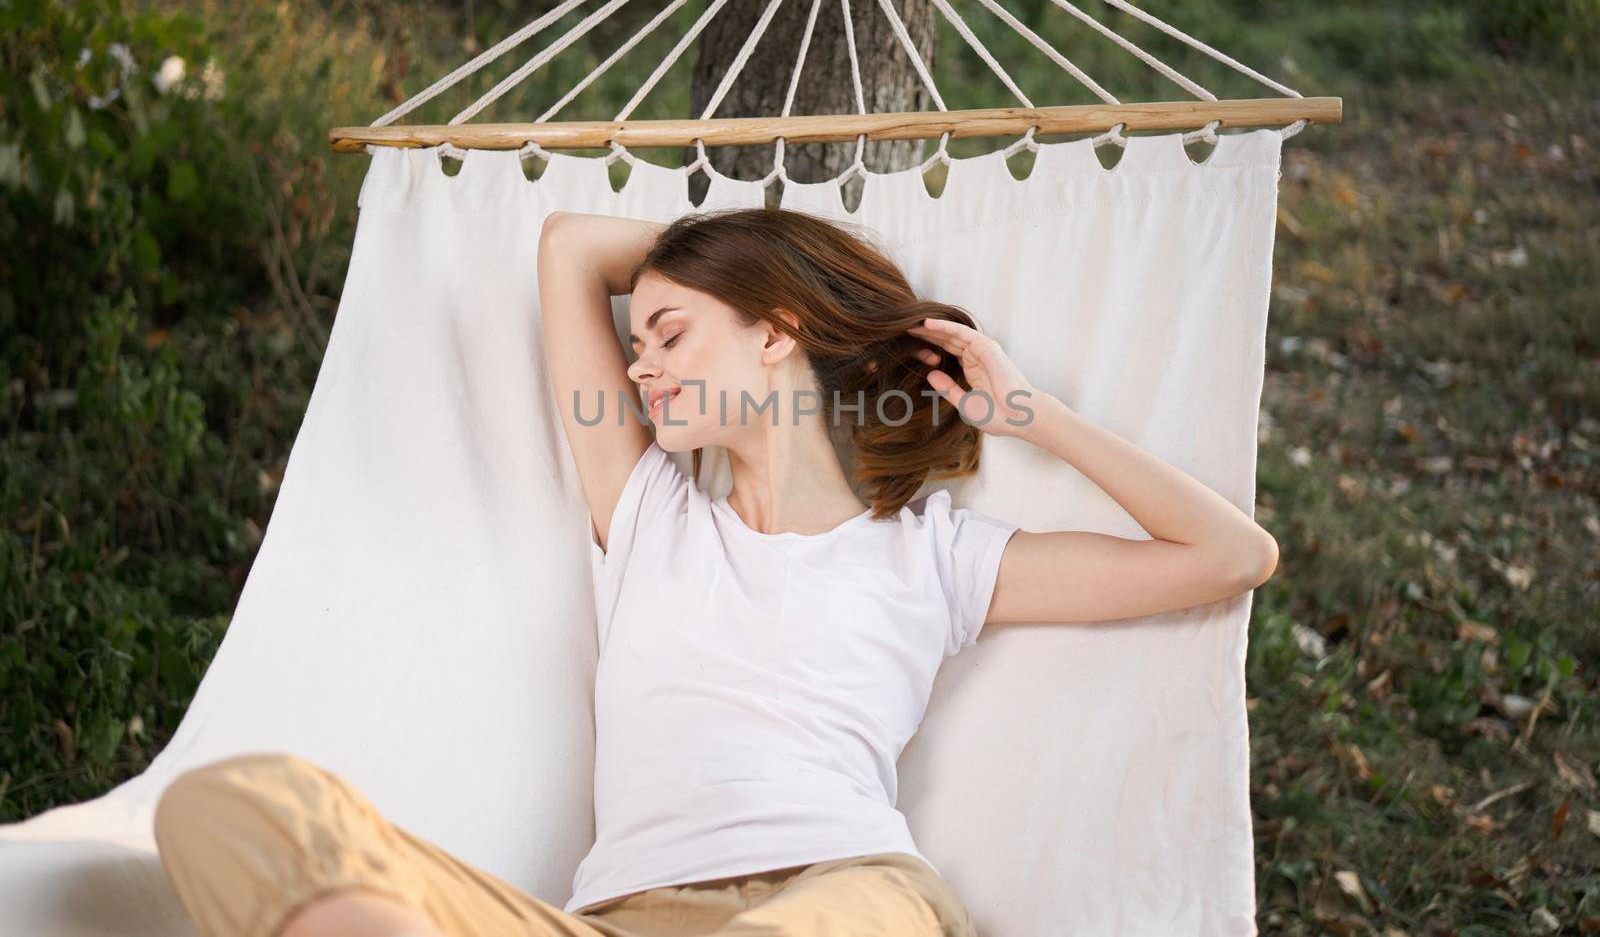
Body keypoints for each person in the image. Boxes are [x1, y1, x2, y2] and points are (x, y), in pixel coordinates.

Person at [153, 206, 1278, 937]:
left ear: (776, 331)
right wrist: (727, 282)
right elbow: (565, 244)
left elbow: (1231, 555)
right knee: (237, 805)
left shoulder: (930, 555)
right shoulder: (648, 515)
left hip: (844, 898)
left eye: (670, 335)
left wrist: (1034, 417)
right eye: (634, 343)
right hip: (617, 919)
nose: (638, 367)